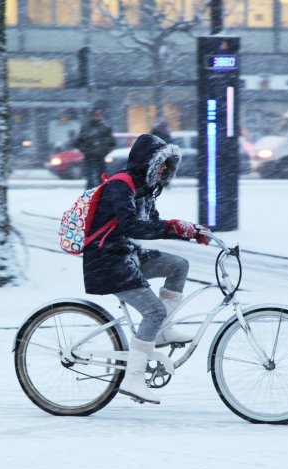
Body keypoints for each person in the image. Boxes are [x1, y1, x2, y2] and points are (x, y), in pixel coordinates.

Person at [82, 134, 210, 404]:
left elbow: (153, 224)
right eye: (161, 163)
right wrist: (173, 227)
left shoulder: (144, 188)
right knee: (153, 310)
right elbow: (132, 227)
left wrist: (189, 231)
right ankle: (133, 378)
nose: (165, 169)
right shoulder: (122, 185)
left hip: (126, 253)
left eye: (167, 165)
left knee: (178, 265)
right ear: (147, 162)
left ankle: (161, 330)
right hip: (106, 260)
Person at [74, 108, 116, 189]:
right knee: (90, 178)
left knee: (101, 178)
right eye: (95, 115)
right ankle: (90, 194)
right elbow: (78, 142)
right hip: (89, 157)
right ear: (91, 116)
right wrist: (85, 150)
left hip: (101, 157)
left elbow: (112, 142)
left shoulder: (106, 128)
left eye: (99, 115)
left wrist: (105, 151)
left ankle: (101, 193)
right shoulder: (85, 128)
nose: (97, 117)